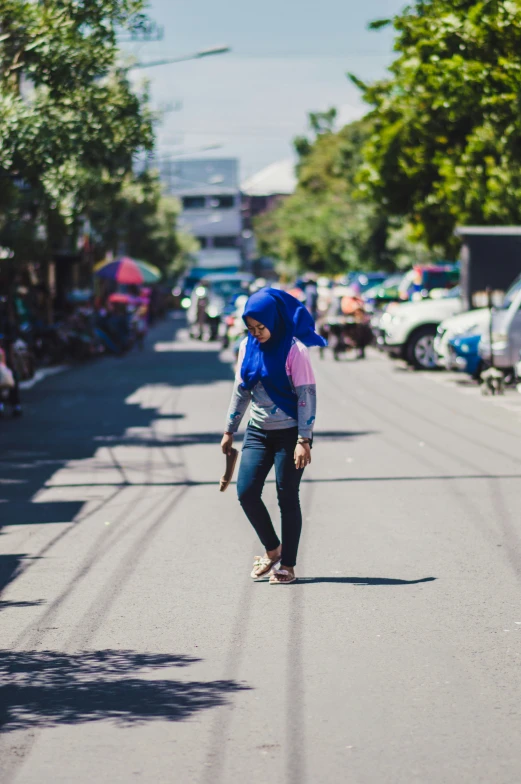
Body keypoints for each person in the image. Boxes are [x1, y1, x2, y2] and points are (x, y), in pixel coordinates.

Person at [221, 288, 326, 585]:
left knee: (286, 497)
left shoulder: (295, 350)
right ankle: (272, 549)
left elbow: (306, 397)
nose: (256, 333)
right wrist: (229, 430)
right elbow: (241, 391)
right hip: (257, 432)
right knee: (246, 492)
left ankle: (288, 565)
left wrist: (304, 440)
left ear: (274, 320)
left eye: (261, 327)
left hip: (290, 433)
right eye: (250, 328)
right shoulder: (246, 346)